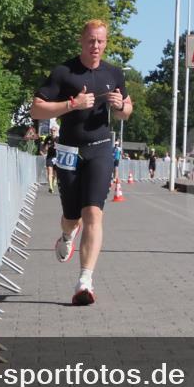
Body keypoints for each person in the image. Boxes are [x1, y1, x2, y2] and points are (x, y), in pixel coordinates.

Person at [30, 19, 132, 306]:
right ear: (81, 41)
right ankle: (66, 235)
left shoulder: (114, 73)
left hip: (100, 148)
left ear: (106, 43)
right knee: (72, 216)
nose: (95, 46)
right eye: (90, 40)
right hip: (68, 150)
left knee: (93, 214)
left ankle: (84, 281)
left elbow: (127, 110)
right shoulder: (64, 72)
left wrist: (120, 106)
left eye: (100, 41)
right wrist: (71, 105)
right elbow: (36, 108)